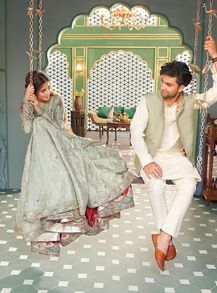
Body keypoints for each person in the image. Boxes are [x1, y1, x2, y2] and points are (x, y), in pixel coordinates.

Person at [130, 35, 217, 271]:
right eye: (162, 82)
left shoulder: (193, 101)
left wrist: (215, 55)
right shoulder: (148, 101)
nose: (163, 87)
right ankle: (166, 239)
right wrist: (147, 162)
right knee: (156, 186)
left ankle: (163, 236)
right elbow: (135, 132)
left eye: (169, 84)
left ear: (181, 87)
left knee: (187, 186)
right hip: (153, 156)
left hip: (177, 158)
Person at [15, 71, 134, 256]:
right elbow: (27, 128)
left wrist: (39, 109)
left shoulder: (56, 101)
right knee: (45, 190)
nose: (48, 93)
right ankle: (48, 239)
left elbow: (57, 127)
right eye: (43, 91)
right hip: (40, 152)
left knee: (78, 173)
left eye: (49, 88)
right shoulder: (27, 103)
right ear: (33, 91)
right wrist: (26, 102)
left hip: (60, 146)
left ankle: (76, 221)